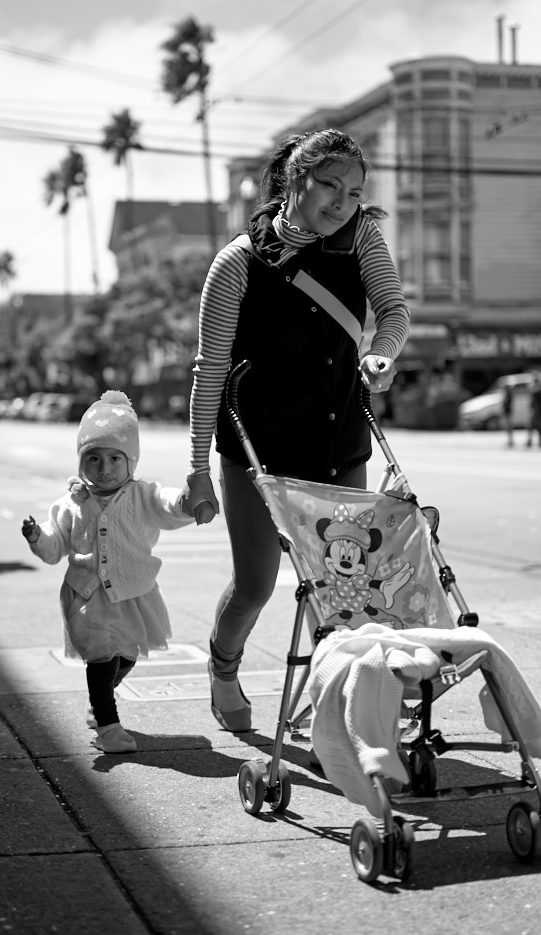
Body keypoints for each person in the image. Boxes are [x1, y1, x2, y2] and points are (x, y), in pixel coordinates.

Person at [180, 129, 411, 733]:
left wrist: (382, 354)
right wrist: (198, 470)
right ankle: (223, 665)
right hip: (258, 448)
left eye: (355, 191)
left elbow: (392, 311)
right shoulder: (238, 262)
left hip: (338, 441)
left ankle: (340, 706)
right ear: (293, 179)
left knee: (343, 586)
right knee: (255, 586)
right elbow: (211, 370)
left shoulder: (362, 236)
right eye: (330, 184)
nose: (342, 202)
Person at [21, 390, 194, 753]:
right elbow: (56, 546)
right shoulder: (72, 502)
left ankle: (99, 703)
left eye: (115, 458)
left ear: (130, 461)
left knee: (125, 656)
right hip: (86, 594)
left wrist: (186, 501)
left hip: (133, 593)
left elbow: (168, 504)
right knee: (101, 655)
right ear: (81, 461)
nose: (105, 468)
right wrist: (39, 537)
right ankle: (108, 726)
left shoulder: (142, 495)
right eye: (94, 458)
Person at [526, 372, 541, 447]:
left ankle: (530, 441)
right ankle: (530, 441)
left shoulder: (537, 393)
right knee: (532, 427)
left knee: (536, 427)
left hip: (537, 413)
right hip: (535, 412)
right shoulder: (534, 392)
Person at [502, 382, 514, 447]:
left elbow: (507, 405)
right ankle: (510, 440)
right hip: (507, 412)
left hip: (508, 412)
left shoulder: (509, 395)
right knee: (508, 427)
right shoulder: (506, 395)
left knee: (509, 427)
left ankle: (511, 441)